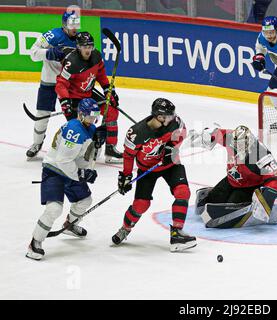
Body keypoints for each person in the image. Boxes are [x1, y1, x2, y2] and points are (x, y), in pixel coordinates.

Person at [111, 98, 196, 252]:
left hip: (170, 165)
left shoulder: (174, 123)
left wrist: (171, 147)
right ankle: (125, 229)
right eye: (168, 116)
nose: (173, 118)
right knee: (141, 205)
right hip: (147, 170)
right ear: (159, 117)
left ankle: (177, 233)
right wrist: (126, 176)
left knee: (183, 192)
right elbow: (129, 155)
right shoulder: (136, 132)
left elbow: (183, 131)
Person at [26, 98, 107, 260]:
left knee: (84, 200)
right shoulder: (74, 129)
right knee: (54, 208)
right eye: (91, 116)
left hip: (71, 171)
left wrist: (98, 144)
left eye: (96, 115)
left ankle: (69, 225)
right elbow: (63, 160)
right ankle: (35, 242)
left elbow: (86, 157)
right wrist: (82, 174)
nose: (94, 119)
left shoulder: (89, 128)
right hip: (54, 171)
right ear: (81, 115)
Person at [190, 125, 277, 228]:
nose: (239, 148)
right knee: (213, 199)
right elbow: (217, 133)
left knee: (230, 207)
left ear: (249, 141)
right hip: (232, 180)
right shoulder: (230, 138)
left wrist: (266, 197)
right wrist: (204, 135)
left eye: (242, 144)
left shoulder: (259, 153)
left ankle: (273, 214)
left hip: (249, 186)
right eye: (237, 144)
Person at [55, 31, 123, 163]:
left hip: (88, 93)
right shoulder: (71, 62)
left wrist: (109, 91)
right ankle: (74, 152)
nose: (88, 50)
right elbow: (61, 85)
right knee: (78, 125)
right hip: (73, 97)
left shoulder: (96, 56)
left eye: (90, 46)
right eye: (84, 47)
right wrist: (65, 102)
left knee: (112, 111)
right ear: (78, 47)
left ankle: (110, 149)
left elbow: (101, 76)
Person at [26, 7, 80, 160]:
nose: (74, 28)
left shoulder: (80, 39)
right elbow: (33, 53)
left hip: (69, 84)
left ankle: (76, 147)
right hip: (49, 81)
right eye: (71, 24)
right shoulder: (52, 35)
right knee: (42, 114)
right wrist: (48, 53)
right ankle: (37, 143)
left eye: (76, 24)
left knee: (73, 117)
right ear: (64, 25)